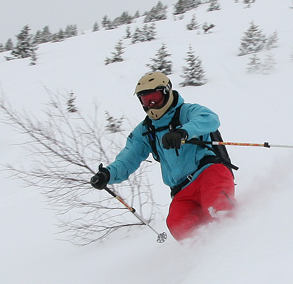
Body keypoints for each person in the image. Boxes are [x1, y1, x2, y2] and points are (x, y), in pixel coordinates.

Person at [90, 72, 236, 241]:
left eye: (155, 98)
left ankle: (237, 249)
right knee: (179, 225)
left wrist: (183, 132)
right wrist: (107, 174)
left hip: (209, 173)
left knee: (219, 211)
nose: (151, 105)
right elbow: (128, 157)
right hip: (181, 190)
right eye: (145, 100)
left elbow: (210, 119)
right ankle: (205, 260)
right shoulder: (145, 131)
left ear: (166, 92)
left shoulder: (186, 112)